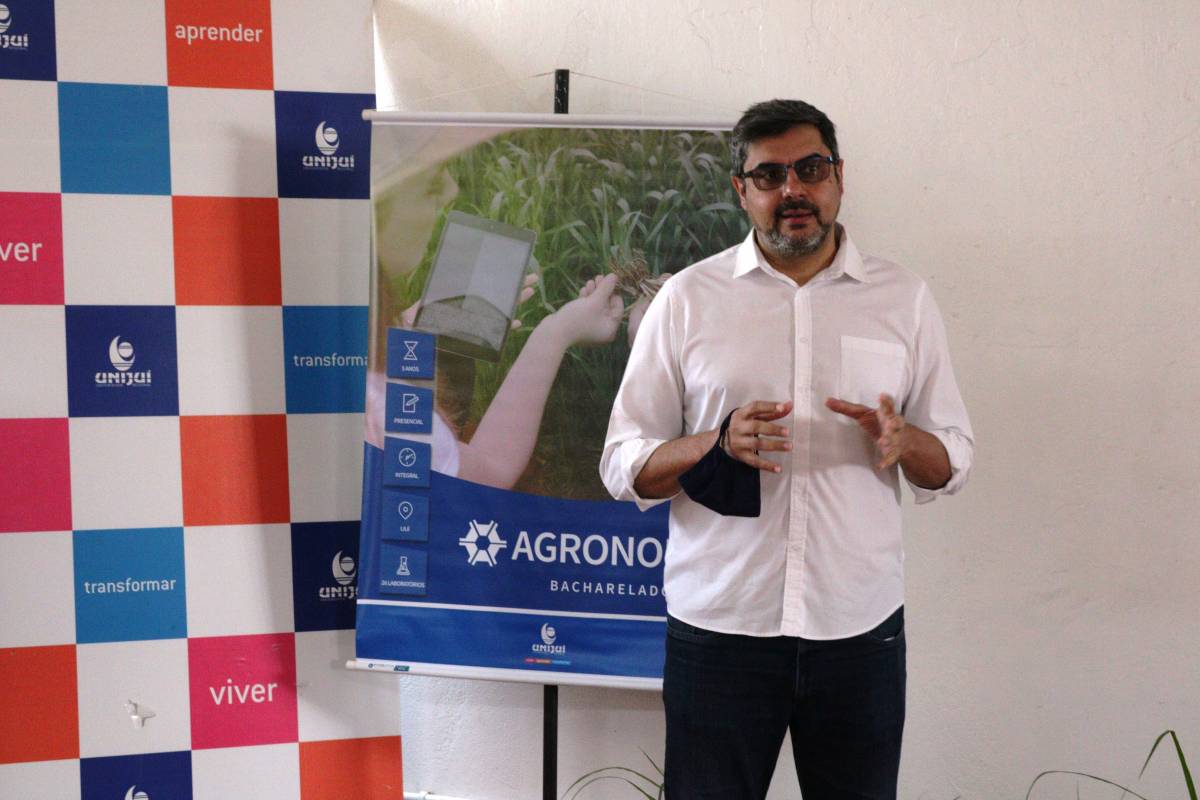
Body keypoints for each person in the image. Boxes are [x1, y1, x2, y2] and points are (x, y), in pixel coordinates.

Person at [600, 99, 975, 799]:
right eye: (769, 175)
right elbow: (624, 465)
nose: (793, 189)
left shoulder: (903, 299)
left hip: (857, 630)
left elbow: (951, 460)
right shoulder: (687, 299)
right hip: (720, 629)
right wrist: (714, 443)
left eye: (811, 169)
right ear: (741, 190)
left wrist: (905, 440)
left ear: (839, 176)